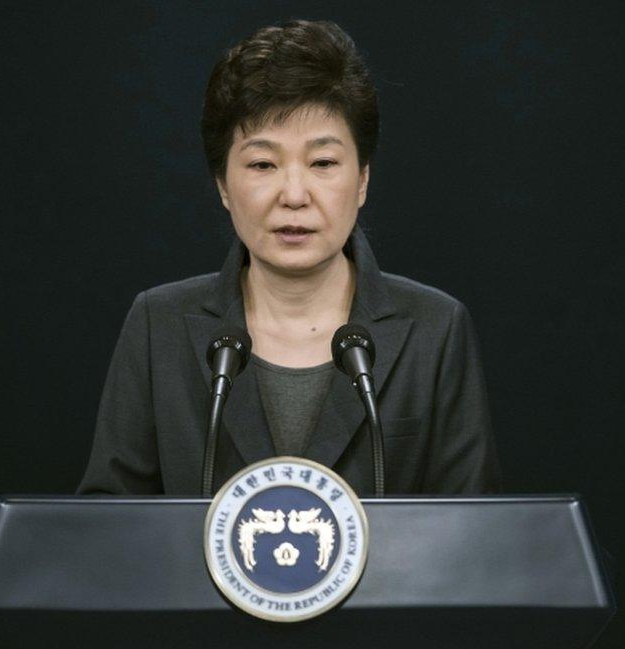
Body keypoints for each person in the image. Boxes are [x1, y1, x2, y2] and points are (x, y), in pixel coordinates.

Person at [77, 19, 500, 496]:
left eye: (322, 163)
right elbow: (108, 529)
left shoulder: (436, 329)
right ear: (222, 185)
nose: (294, 195)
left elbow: (472, 536)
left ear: (362, 180)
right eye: (262, 164)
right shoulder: (160, 325)